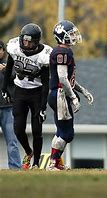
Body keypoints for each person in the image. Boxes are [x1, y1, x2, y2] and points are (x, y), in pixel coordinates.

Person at [1, 23, 52, 169]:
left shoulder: (44, 55)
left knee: (37, 130)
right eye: (24, 40)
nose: (26, 43)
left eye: (30, 41)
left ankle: (36, 163)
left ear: (36, 41)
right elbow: (9, 66)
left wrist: (43, 106)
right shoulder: (14, 47)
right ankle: (29, 152)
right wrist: (4, 88)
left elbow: (45, 82)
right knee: (18, 129)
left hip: (37, 91)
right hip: (20, 90)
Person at [46, 20, 93, 171]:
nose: (74, 36)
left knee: (61, 131)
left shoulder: (65, 51)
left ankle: (56, 162)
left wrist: (83, 91)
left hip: (58, 93)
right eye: (70, 34)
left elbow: (69, 79)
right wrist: (73, 97)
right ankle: (53, 162)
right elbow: (62, 78)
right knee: (67, 134)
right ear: (62, 36)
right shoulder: (62, 52)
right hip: (60, 95)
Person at [0, 40, 21, 169]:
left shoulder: (10, 64)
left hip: (8, 108)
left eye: (0, 49)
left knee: (12, 141)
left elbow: (18, 78)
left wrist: (5, 71)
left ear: (3, 51)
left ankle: (15, 167)